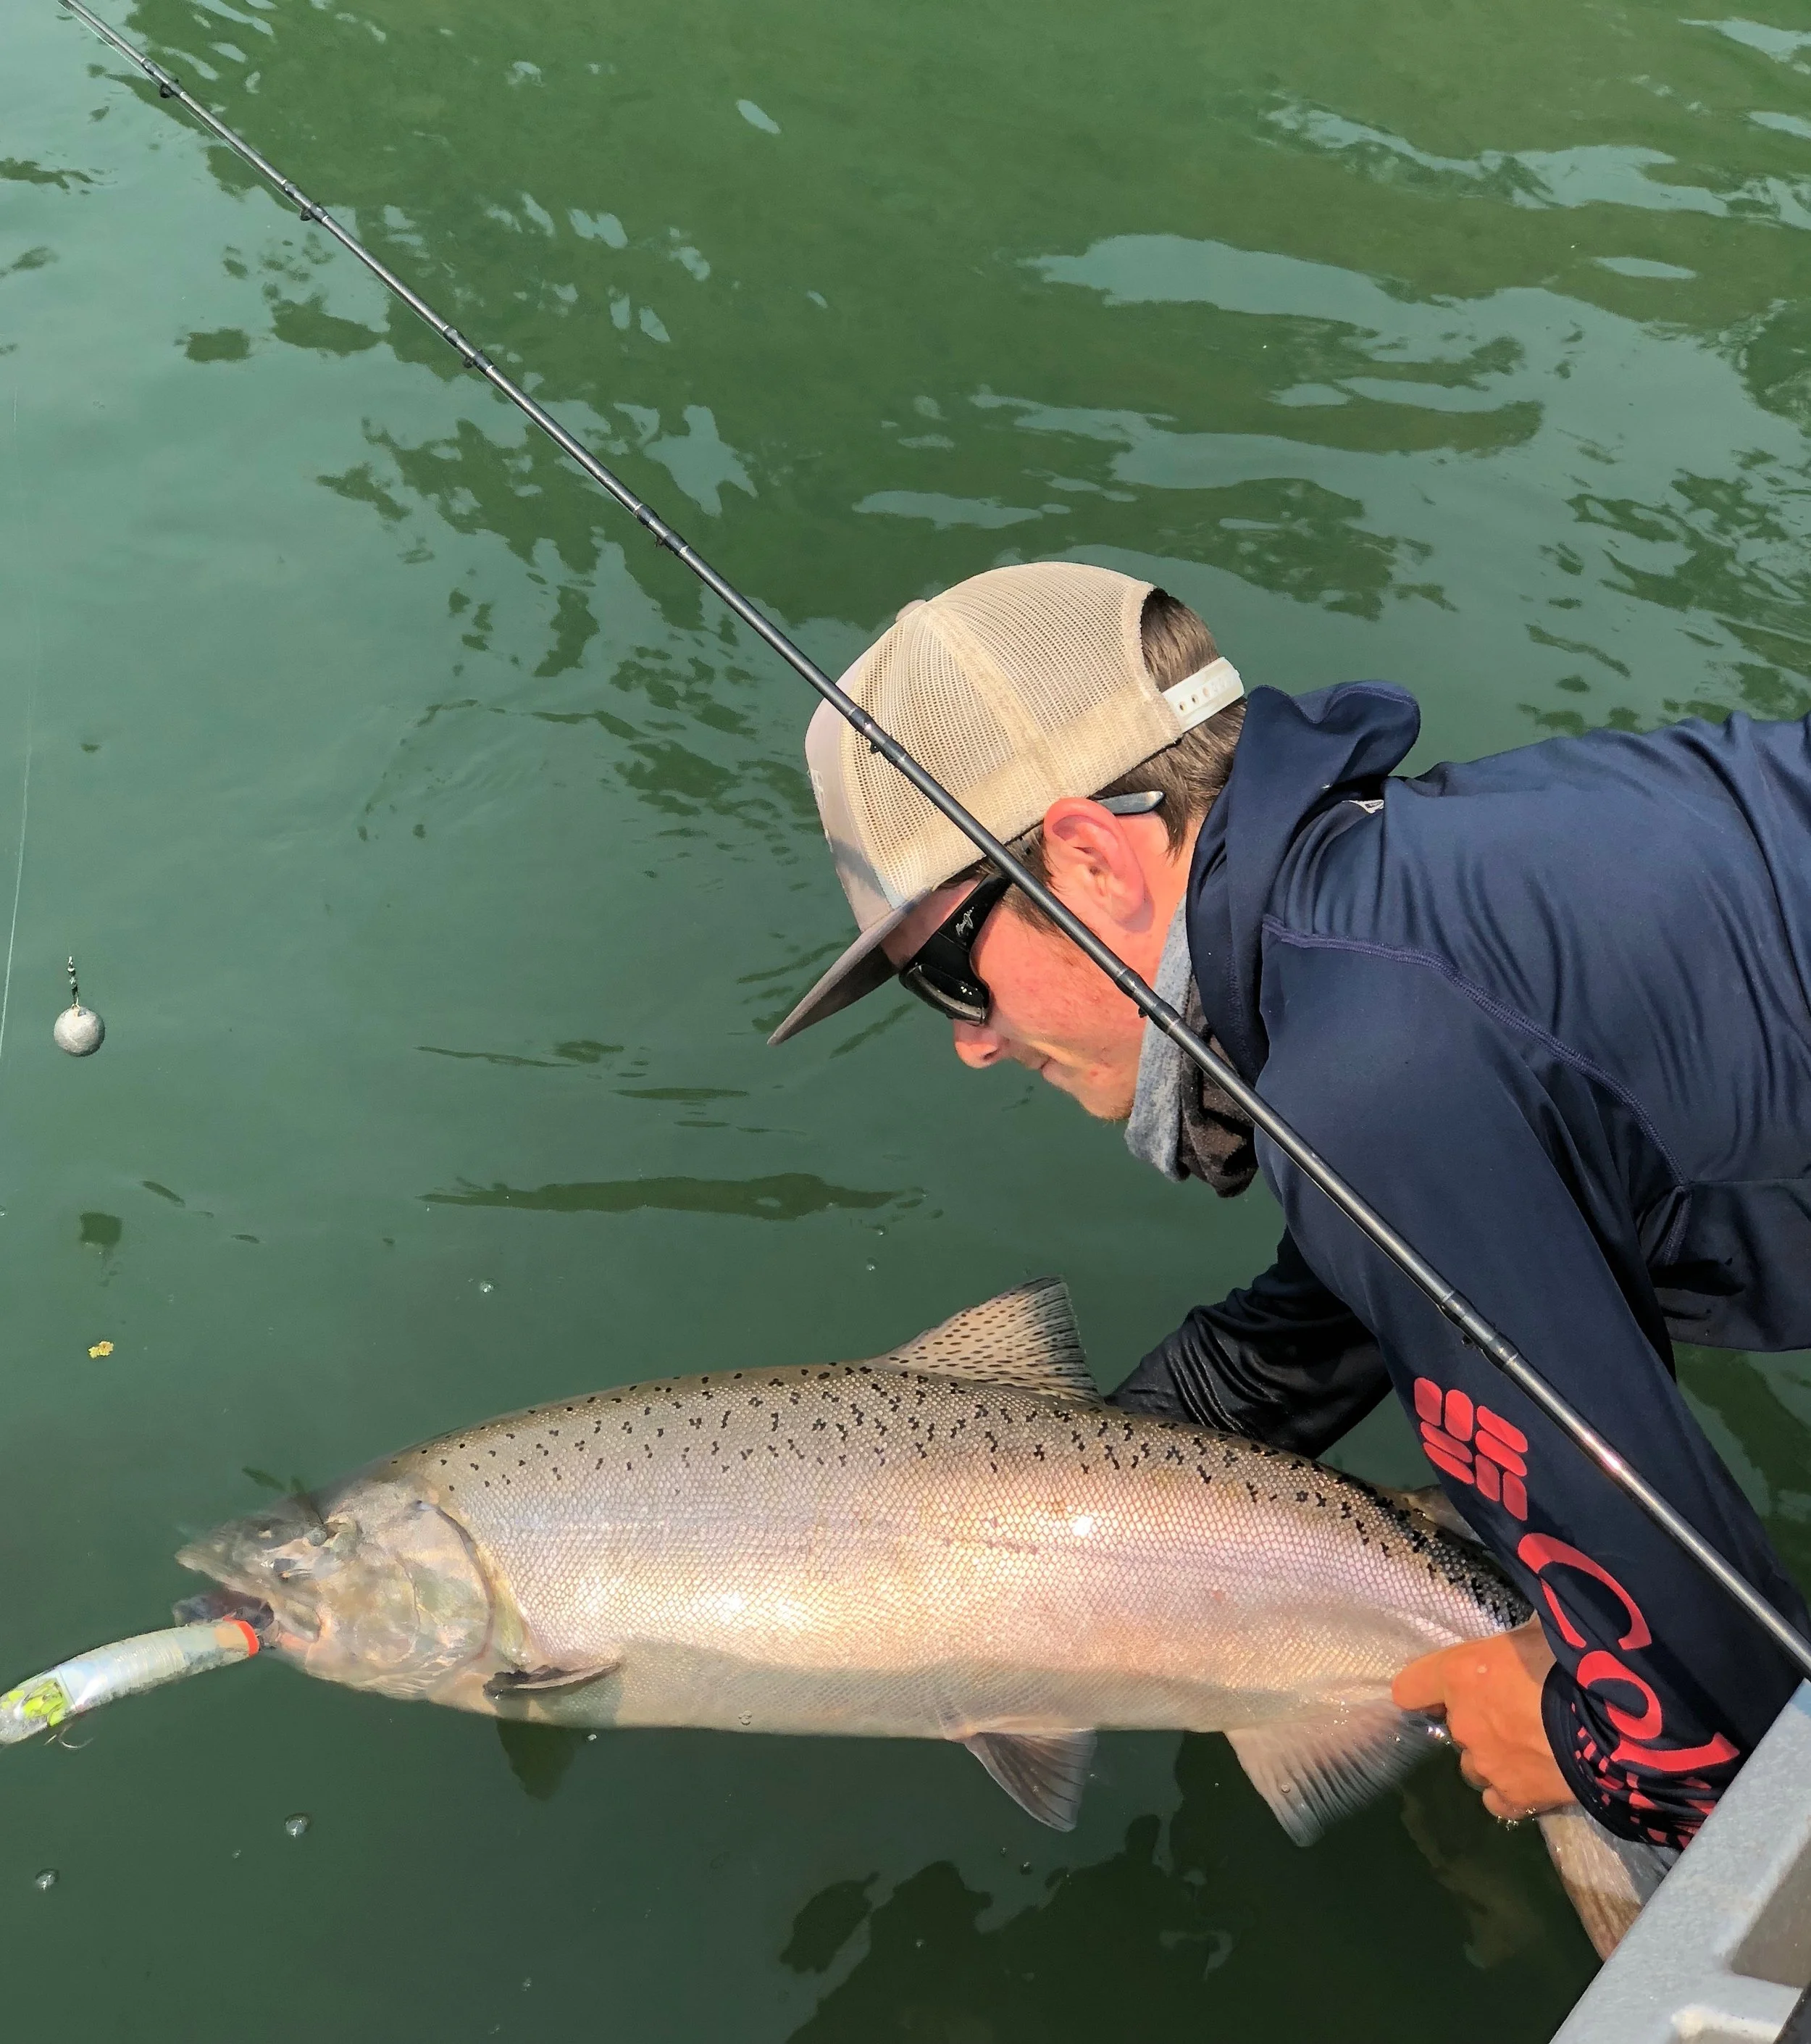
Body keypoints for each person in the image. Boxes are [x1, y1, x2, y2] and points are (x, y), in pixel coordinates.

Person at [769, 559, 1811, 1851]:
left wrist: (1589, 1744)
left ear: (1089, 861)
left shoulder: (1375, 1088)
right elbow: (1355, 1296)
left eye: (945, 975)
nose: (971, 1045)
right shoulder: (1406, 892)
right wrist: (1054, 1529)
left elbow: (1733, 1718)